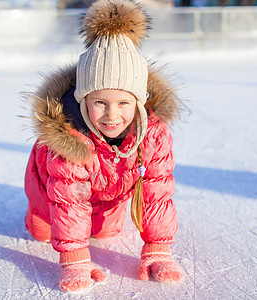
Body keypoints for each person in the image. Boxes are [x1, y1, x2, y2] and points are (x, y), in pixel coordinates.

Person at [24, 0, 184, 292]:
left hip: (107, 191)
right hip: (51, 192)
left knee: (106, 232)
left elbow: (157, 192)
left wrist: (158, 248)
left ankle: (98, 215)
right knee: (43, 231)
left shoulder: (152, 134)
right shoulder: (70, 137)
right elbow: (68, 200)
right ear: (83, 100)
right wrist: (74, 260)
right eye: (100, 102)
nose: (112, 115)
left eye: (123, 103)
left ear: (138, 101)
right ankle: (37, 214)